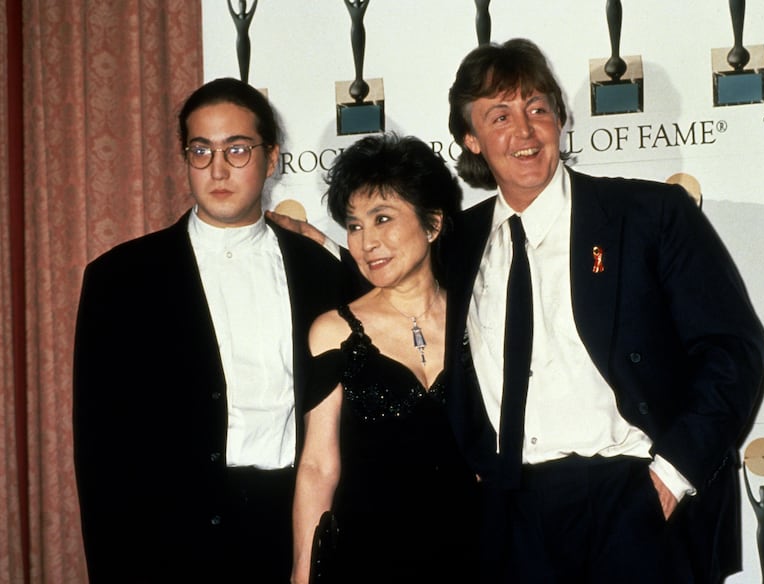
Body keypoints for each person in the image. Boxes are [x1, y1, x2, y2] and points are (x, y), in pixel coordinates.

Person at [443, 38, 764, 583]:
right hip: (512, 516)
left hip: (632, 499)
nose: (525, 131)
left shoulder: (648, 215)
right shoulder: (455, 246)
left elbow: (733, 350)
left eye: (538, 108)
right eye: (500, 115)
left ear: (560, 121)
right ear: (471, 139)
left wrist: (670, 477)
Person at [73, 77, 352, 583]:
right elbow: (100, 453)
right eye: (201, 150)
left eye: (237, 149)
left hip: (290, 530)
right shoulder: (120, 278)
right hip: (170, 542)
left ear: (272, 160)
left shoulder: (324, 272)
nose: (218, 169)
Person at [291, 133, 478, 584]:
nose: (365, 242)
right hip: (369, 558)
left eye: (382, 219)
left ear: (433, 224)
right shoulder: (334, 331)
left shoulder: (482, 315)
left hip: (477, 551)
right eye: (354, 225)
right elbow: (318, 466)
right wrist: (301, 572)